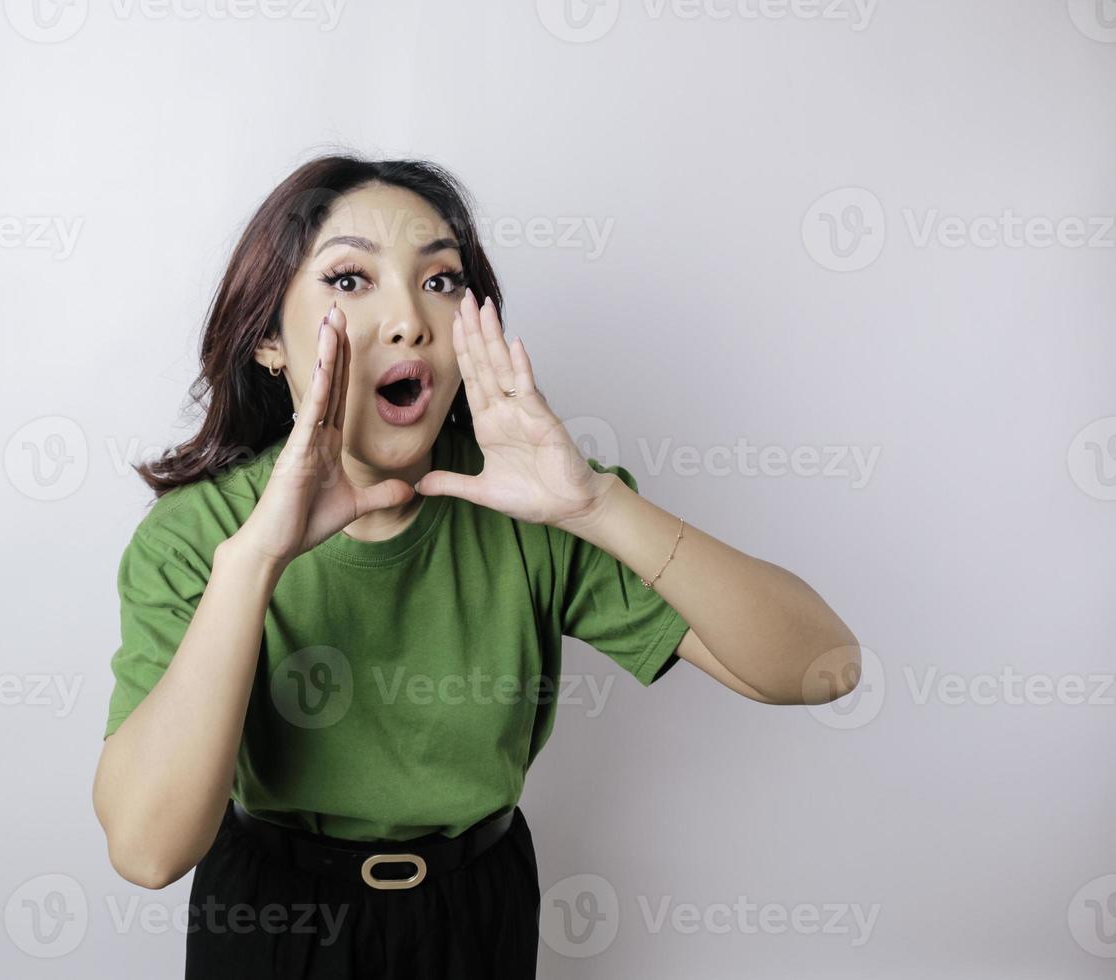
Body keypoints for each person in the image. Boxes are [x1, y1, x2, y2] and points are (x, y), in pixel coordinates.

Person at [91, 154, 861, 978]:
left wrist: (599, 506)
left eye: (442, 280)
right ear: (270, 341)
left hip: (476, 908)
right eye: (350, 280)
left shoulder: (530, 506)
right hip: (274, 915)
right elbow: (147, 852)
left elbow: (823, 668)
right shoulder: (196, 536)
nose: (409, 319)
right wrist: (255, 561)